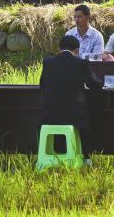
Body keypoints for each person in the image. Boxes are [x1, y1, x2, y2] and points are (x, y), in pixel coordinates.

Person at [38, 34, 104, 164]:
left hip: (50, 113)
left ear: (59, 48)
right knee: (89, 117)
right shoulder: (81, 63)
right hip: (75, 115)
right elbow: (95, 85)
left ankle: (50, 156)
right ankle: (86, 158)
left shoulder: (48, 62)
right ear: (77, 50)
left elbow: (42, 84)